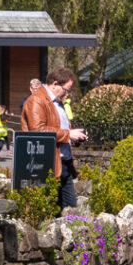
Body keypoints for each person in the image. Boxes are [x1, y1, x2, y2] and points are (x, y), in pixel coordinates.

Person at [21, 68, 88, 209]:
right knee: (52, 213)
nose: (67, 94)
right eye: (66, 89)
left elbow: (58, 130)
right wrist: (68, 134)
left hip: (63, 164)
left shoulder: (58, 103)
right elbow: (38, 131)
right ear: (55, 84)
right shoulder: (36, 100)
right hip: (47, 165)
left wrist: (73, 138)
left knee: (72, 214)